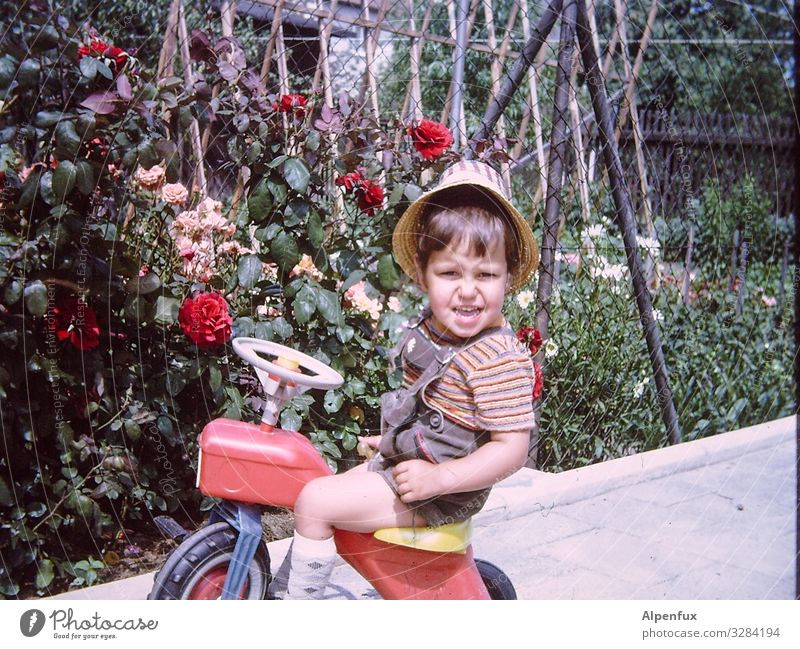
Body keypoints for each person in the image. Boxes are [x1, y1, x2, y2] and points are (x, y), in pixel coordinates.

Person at [271, 159, 540, 599]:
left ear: (508, 278)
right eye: (450, 273)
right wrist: (397, 438)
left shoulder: (498, 358)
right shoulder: (435, 330)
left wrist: (442, 479)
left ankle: (295, 609)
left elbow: (512, 449)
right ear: (423, 273)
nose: (468, 290)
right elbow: (435, 407)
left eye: (486, 275)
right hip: (419, 472)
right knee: (325, 486)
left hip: (442, 492)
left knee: (314, 502)